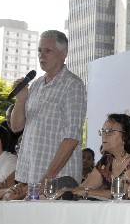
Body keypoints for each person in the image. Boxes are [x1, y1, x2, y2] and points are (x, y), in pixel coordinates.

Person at [5, 30, 87, 200]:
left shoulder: (72, 85)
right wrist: (20, 100)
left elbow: (72, 137)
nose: (42, 55)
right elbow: (16, 127)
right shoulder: (35, 86)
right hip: (33, 175)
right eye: (39, 50)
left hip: (58, 178)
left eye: (48, 51)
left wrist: (47, 177)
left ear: (64, 53)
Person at [57, 113, 130, 200]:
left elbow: (123, 193)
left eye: (109, 131)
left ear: (125, 137)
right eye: (103, 131)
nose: (103, 136)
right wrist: (68, 190)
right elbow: (83, 188)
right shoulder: (106, 161)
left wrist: (85, 192)